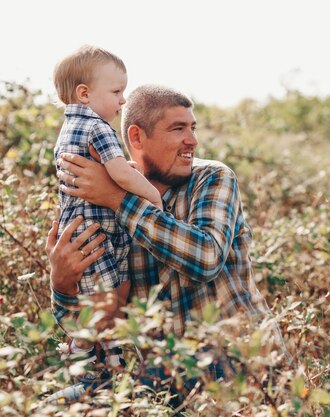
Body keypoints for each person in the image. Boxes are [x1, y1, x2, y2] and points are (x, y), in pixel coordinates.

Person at [46, 84, 286, 404]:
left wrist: (118, 199)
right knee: (57, 404)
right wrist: (62, 284)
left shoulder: (211, 177)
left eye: (192, 128)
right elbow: (99, 326)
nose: (192, 140)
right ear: (136, 138)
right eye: (177, 129)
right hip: (166, 380)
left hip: (243, 365)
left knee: (171, 371)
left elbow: (206, 258)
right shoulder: (104, 215)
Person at [49, 45, 163, 399]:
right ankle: (83, 358)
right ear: (85, 93)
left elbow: (110, 173)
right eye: (116, 92)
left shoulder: (69, 129)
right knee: (109, 299)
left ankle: (109, 361)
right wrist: (152, 197)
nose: (123, 100)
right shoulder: (98, 127)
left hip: (86, 226)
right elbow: (117, 173)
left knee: (113, 296)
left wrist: (122, 173)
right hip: (95, 231)